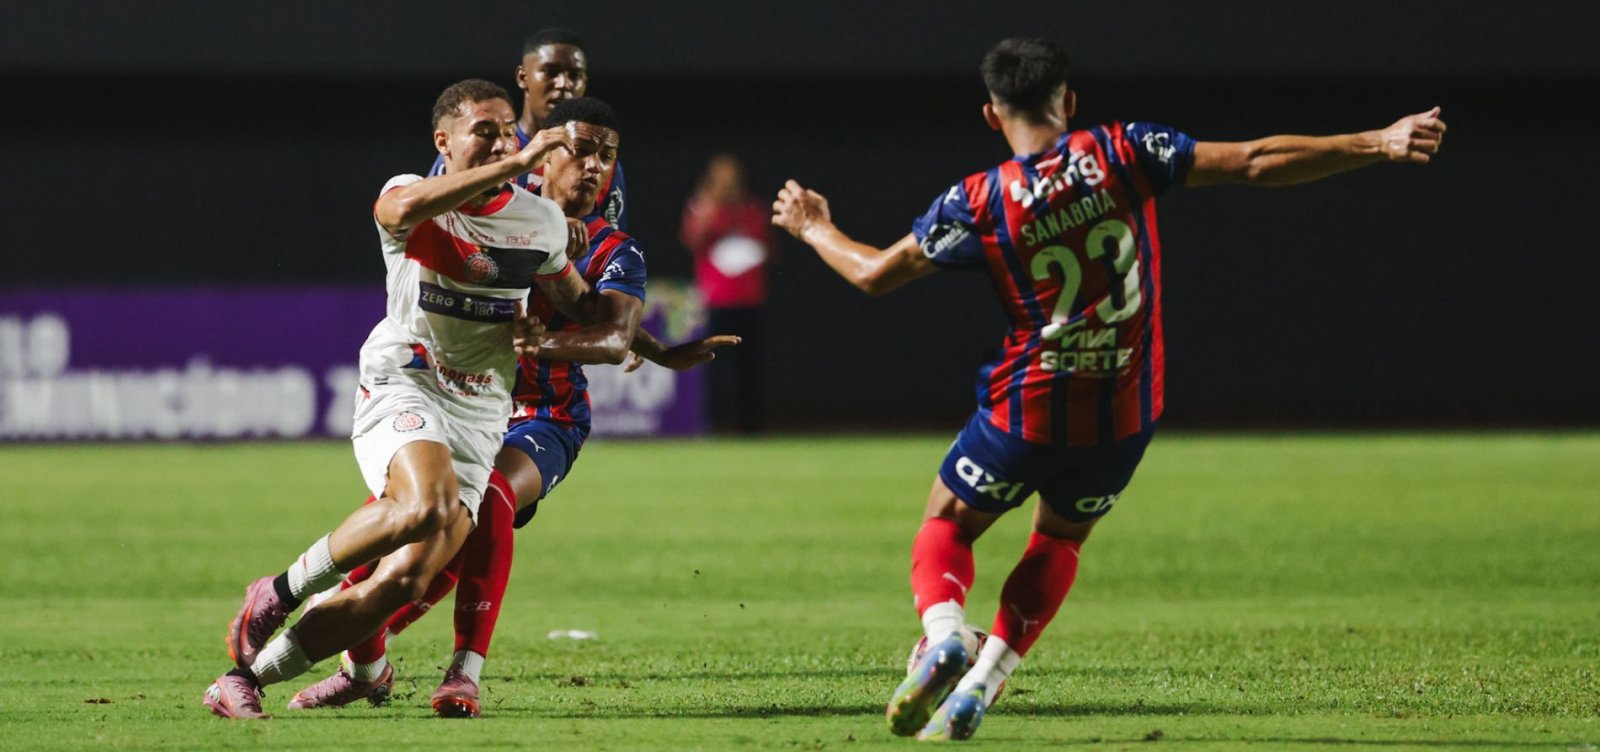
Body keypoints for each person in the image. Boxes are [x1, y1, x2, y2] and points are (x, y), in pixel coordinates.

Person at [771, 37, 1445, 742]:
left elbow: (874, 273)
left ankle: (943, 633)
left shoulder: (979, 201)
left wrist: (815, 227)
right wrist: (1379, 141)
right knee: (1060, 539)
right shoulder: (1124, 152)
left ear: (992, 115)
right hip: (1121, 415)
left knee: (947, 520)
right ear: (1068, 101)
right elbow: (1254, 160)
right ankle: (987, 678)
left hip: (1027, 408)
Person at [285, 98, 738, 718]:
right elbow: (426, 211)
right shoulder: (500, 208)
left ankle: (462, 671)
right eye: (580, 153)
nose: (591, 169)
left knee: (486, 501)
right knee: (404, 520)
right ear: (543, 158)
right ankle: (364, 664)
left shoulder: (614, 249)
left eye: (606, 160)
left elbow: (608, 334)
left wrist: (562, 344)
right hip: (463, 400)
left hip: (546, 415)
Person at [202, 78, 588, 719]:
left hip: (479, 411)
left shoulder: (539, 220)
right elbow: (395, 210)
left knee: (403, 582)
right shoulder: (412, 195)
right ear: (444, 141)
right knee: (424, 506)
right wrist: (518, 165)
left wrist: (649, 346)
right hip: (406, 378)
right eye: (482, 131)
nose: (500, 142)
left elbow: (580, 302)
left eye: (507, 131)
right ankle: (278, 588)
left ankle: (243, 681)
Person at [430, 28, 627, 230]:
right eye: (550, 72)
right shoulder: (481, 148)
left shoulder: (600, 161)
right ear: (523, 77)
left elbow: (608, 241)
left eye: (575, 75)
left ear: (584, 83)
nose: (563, 84)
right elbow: (427, 212)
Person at [681, 153, 773, 433]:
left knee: (749, 369)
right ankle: (712, 425)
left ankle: (751, 428)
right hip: (715, 301)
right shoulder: (702, 207)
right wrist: (711, 210)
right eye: (722, 176)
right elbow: (692, 239)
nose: (727, 182)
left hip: (747, 299)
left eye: (731, 176)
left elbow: (766, 245)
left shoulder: (752, 209)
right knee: (712, 369)